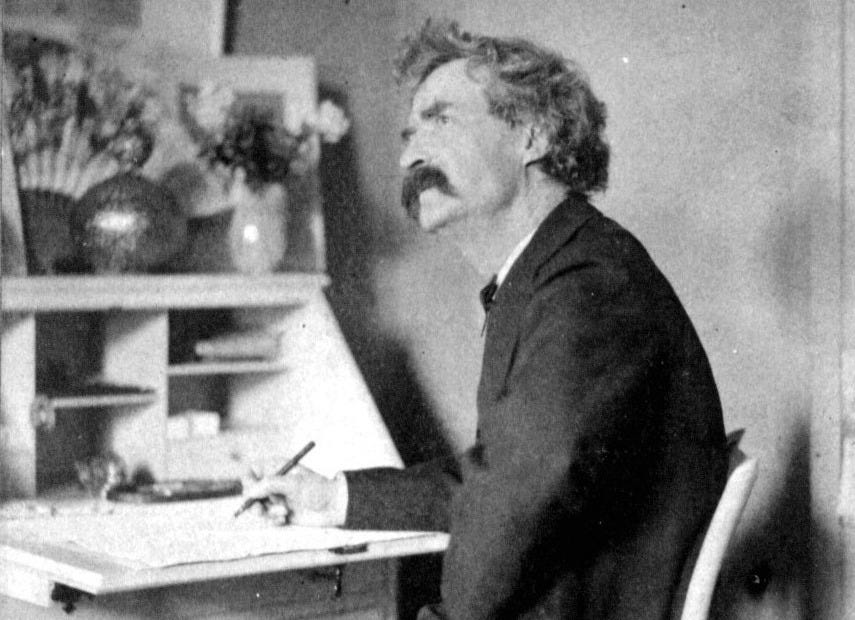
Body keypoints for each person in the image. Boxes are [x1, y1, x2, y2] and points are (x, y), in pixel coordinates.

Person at [244, 19, 728, 620]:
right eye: (409, 134)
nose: (409, 155)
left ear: (532, 136)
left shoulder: (587, 286)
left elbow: (515, 503)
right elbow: (494, 482)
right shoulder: (558, 268)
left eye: (440, 120)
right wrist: (333, 497)